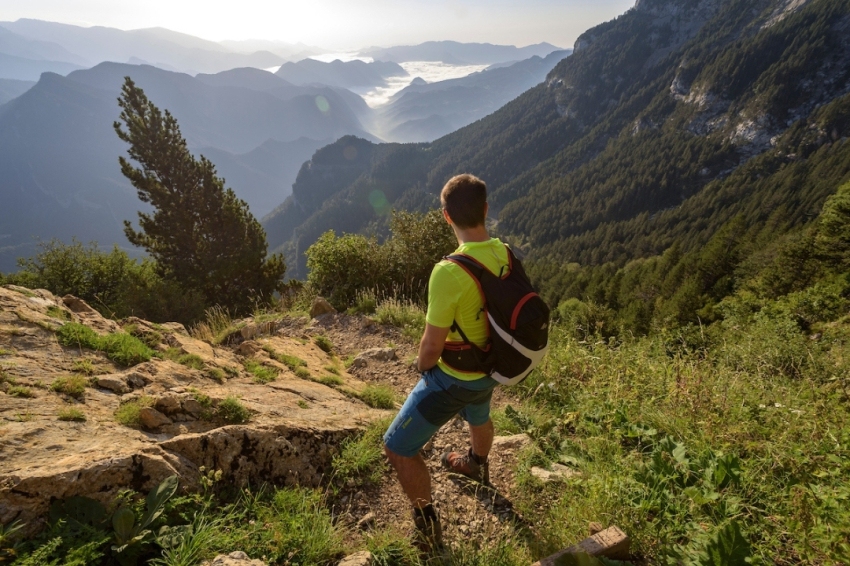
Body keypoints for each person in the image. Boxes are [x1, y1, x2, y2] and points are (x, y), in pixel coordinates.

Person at [383, 173, 508, 553]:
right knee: (479, 414)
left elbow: (431, 348)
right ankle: (476, 464)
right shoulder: (504, 252)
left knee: (397, 447)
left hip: (454, 377)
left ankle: (427, 522)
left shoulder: (449, 271)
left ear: (446, 217)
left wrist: (422, 368)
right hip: (493, 367)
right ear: (486, 210)